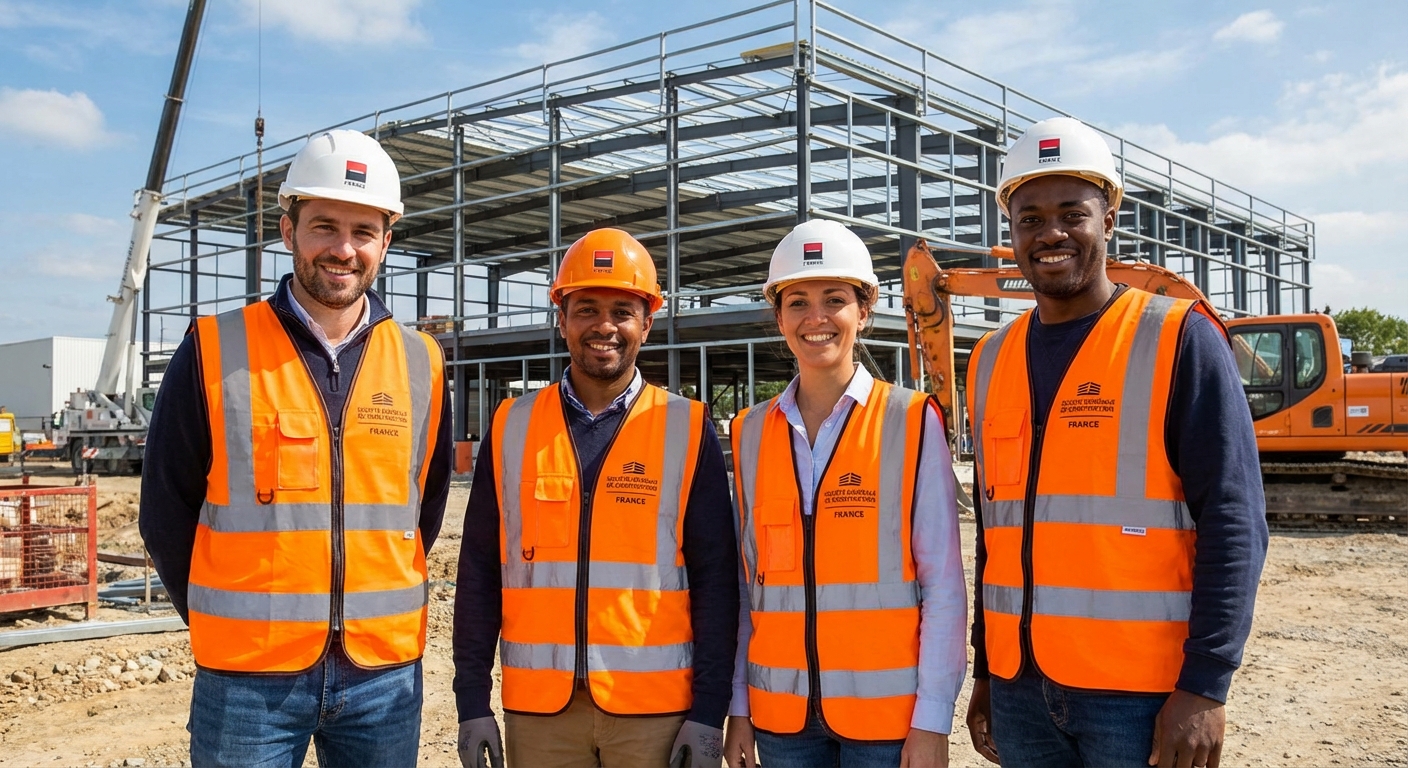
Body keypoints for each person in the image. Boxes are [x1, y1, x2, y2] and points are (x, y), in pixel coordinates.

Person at [139, 129, 453, 767]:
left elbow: (424, 509)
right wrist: (224, 619)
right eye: (324, 226)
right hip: (247, 679)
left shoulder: (422, 362)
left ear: (386, 242)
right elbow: (164, 511)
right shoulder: (214, 350)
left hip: (383, 674)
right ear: (288, 231)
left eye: (364, 231)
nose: (343, 249)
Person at [963, 117, 1268, 768]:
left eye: (1073, 213)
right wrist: (987, 668)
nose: (1050, 234)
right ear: (1010, 230)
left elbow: (1235, 520)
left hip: (1142, 695)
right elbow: (997, 530)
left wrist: (1206, 684)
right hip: (1021, 687)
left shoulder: (1178, 339)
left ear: (1110, 218)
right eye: (1030, 217)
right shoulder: (990, 361)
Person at [452, 228, 739, 768]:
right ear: (562, 317)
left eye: (622, 310)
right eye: (586, 308)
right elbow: (478, 574)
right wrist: (471, 700)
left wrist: (708, 711)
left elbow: (716, 580)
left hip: (655, 712)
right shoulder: (511, 426)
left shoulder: (686, 427)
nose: (604, 326)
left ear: (648, 323)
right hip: (540, 715)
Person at [722, 220, 967, 768]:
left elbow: (944, 586)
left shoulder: (910, 420)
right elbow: (747, 589)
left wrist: (932, 721)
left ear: (863, 311)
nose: (816, 318)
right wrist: (738, 706)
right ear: (777, 315)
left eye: (835, 299)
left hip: (886, 723)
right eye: (797, 302)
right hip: (781, 721)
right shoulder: (749, 433)